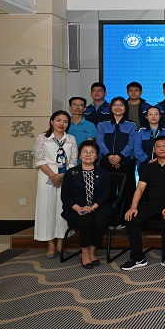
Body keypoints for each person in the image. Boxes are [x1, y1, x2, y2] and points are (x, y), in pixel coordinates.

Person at [120, 136, 165, 271]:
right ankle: (138, 258)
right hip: (151, 205)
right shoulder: (149, 167)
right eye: (158, 146)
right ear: (154, 149)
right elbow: (140, 188)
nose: (162, 148)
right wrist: (133, 207)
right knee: (131, 219)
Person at [33, 110, 78, 258]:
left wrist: (62, 176)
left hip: (66, 177)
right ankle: (50, 245)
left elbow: (73, 161)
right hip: (47, 177)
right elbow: (40, 160)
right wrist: (53, 176)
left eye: (65, 121)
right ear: (52, 122)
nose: (61, 124)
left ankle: (60, 242)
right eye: (58, 120)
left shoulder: (71, 139)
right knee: (47, 209)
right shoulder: (42, 138)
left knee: (62, 208)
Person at [60, 140, 110, 269]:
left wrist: (93, 207)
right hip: (76, 209)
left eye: (92, 152)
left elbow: (106, 194)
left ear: (96, 155)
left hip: (98, 207)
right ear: (79, 155)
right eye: (85, 152)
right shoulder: (71, 173)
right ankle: (85, 252)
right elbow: (65, 196)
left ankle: (92, 251)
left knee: (100, 219)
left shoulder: (103, 173)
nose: (88, 155)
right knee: (86, 220)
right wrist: (79, 208)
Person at [96, 97, 138, 224]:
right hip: (106, 162)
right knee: (107, 191)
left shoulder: (131, 125)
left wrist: (120, 156)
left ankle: (124, 219)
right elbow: (99, 141)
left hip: (126, 163)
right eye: (115, 105)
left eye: (121, 105)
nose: (118, 107)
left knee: (127, 191)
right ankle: (108, 219)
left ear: (125, 108)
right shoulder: (102, 124)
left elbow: (132, 143)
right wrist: (109, 156)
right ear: (111, 107)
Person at [132, 106, 165, 173]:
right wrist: (148, 160)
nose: (153, 116)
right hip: (144, 164)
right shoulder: (140, 131)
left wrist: (160, 160)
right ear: (146, 116)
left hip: (164, 165)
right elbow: (137, 148)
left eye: (156, 114)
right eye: (150, 114)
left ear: (160, 116)